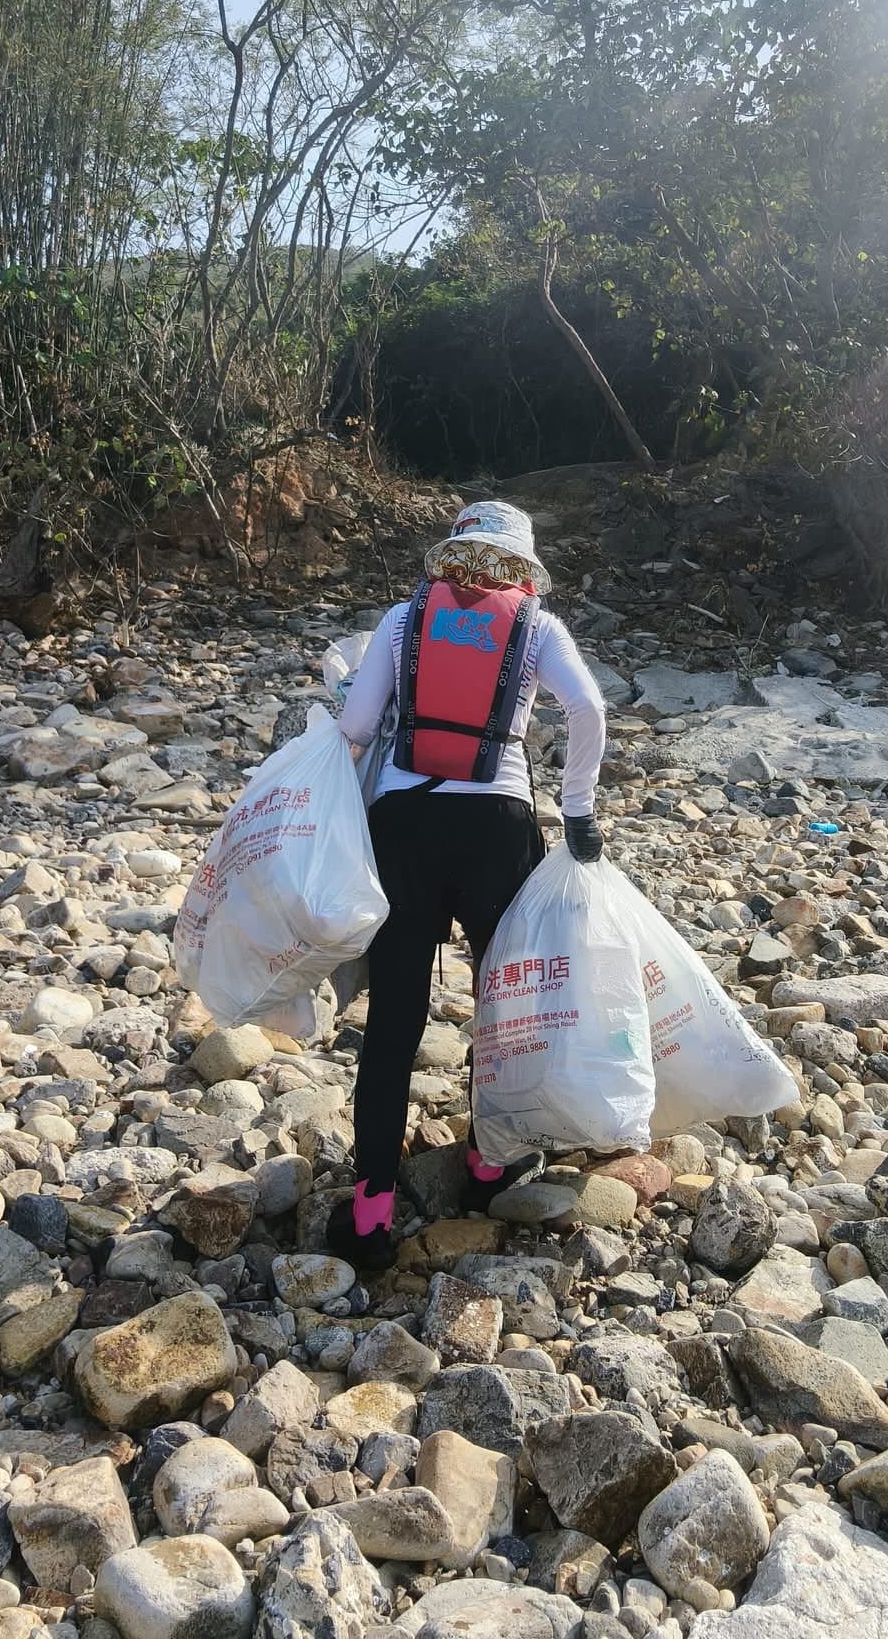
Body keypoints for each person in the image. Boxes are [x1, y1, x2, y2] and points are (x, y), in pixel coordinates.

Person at [326, 500, 607, 1270]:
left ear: (453, 552)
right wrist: (578, 809)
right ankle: (488, 1166)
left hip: (405, 833)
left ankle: (371, 1213)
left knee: (393, 1025)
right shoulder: (536, 627)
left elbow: (355, 730)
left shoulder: (401, 619)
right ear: (520, 566)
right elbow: (588, 707)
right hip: (498, 833)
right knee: (504, 1009)